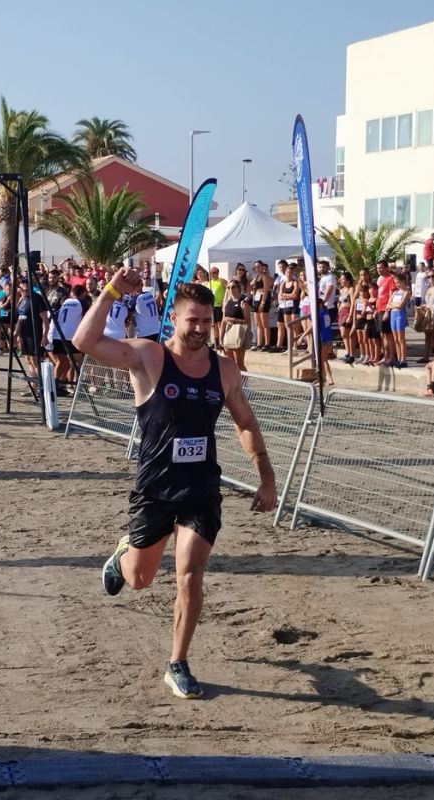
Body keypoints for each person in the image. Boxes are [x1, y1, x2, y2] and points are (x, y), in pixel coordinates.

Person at [72, 269, 277, 700]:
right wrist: (110, 292)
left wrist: (265, 476)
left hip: (201, 486)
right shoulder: (148, 357)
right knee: (141, 578)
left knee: (190, 571)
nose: (201, 328)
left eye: (207, 320)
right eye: (192, 320)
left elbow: (244, 422)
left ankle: (177, 662)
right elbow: (84, 343)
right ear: (175, 321)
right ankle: (123, 553)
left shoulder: (223, 370)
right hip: (155, 487)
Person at [220, 280, 250, 370]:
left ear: (238, 288)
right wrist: (221, 339)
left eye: (233, 287)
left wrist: (234, 320)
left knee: (239, 362)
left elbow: (247, 321)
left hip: (238, 334)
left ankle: (244, 383)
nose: (230, 289)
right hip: (228, 333)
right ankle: (233, 383)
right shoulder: (227, 304)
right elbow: (223, 321)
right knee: (230, 362)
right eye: (228, 287)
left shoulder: (243, 303)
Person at [207, 266, 227, 347]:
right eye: (211, 273)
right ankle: (216, 342)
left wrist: (224, 300)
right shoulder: (210, 282)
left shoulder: (221, 281)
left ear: (218, 273)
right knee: (213, 324)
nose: (213, 274)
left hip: (219, 305)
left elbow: (228, 289)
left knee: (219, 324)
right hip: (212, 305)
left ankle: (222, 341)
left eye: (214, 273)